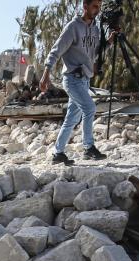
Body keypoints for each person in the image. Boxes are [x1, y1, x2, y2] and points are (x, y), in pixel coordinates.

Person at [40, 0, 107, 166]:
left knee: (71, 118)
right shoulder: (73, 27)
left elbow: (96, 51)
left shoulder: (96, 29)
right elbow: (56, 50)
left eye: (99, 6)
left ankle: (58, 153)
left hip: (85, 80)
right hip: (72, 79)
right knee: (89, 108)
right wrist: (46, 73)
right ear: (85, 6)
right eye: (94, 6)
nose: (97, 9)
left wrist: (110, 41)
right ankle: (88, 147)